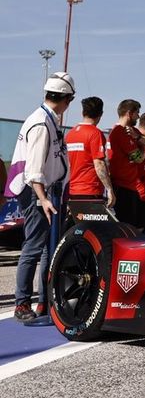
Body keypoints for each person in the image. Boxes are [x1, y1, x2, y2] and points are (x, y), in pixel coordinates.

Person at [4, 72, 74, 321]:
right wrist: (43, 198)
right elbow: (34, 170)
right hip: (37, 191)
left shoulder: (48, 120)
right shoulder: (41, 123)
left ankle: (45, 301)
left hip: (46, 191)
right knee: (34, 247)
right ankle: (22, 304)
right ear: (66, 99)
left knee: (46, 249)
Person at [65, 96, 115, 208]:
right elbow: (99, 164)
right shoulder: (95, 133)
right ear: (101, 114)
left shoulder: (70, 134)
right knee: (93, 225)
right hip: (91, 190)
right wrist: (110, 189)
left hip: (73, 191)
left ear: (83, 112)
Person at [107, 99, 145, 229]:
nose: (139, 116)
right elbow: (139, 158)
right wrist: (142, 147)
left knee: (136, 226)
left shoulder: (132, 131)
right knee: (127, 229)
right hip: (122, 188)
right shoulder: (120, 132)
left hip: (130, 187)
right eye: (137, 113)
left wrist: (139, 138)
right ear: (129, 113)